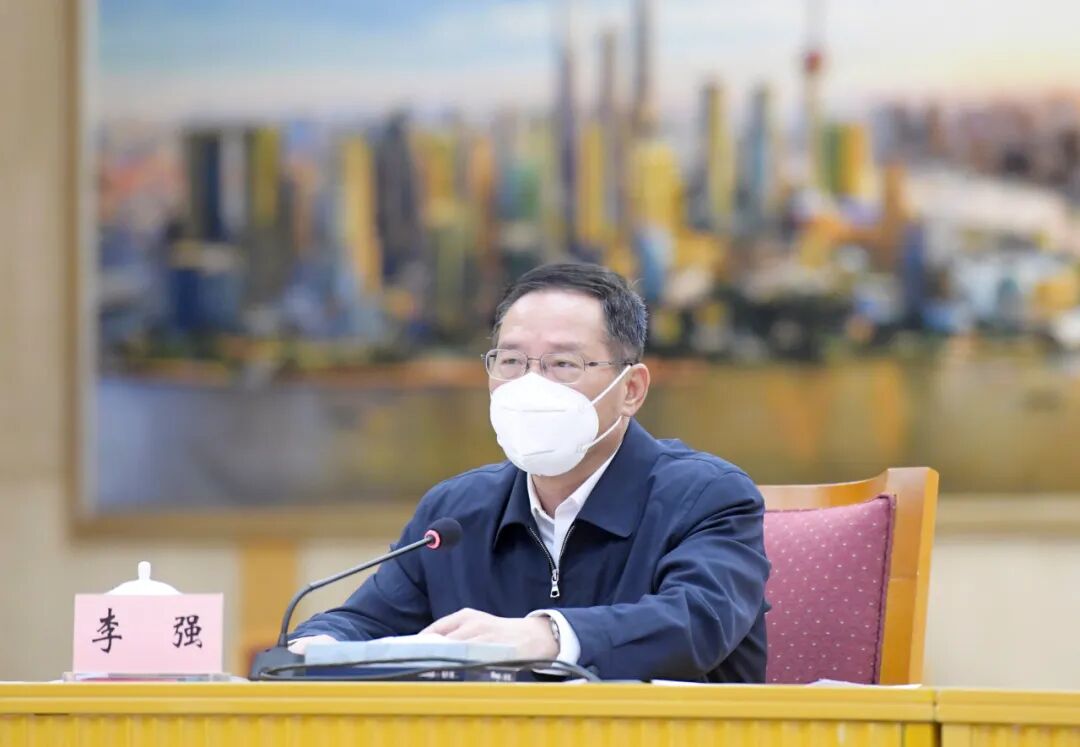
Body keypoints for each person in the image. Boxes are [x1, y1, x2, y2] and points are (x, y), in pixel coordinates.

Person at [288, 263, 770, 681]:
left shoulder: (708, 497)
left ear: (631, 390)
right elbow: (363, 622)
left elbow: (698, 621)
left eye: (563, 363)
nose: (530, 385)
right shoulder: (455, 513)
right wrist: (321, 645)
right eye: (511, 361)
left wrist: (546, 636)